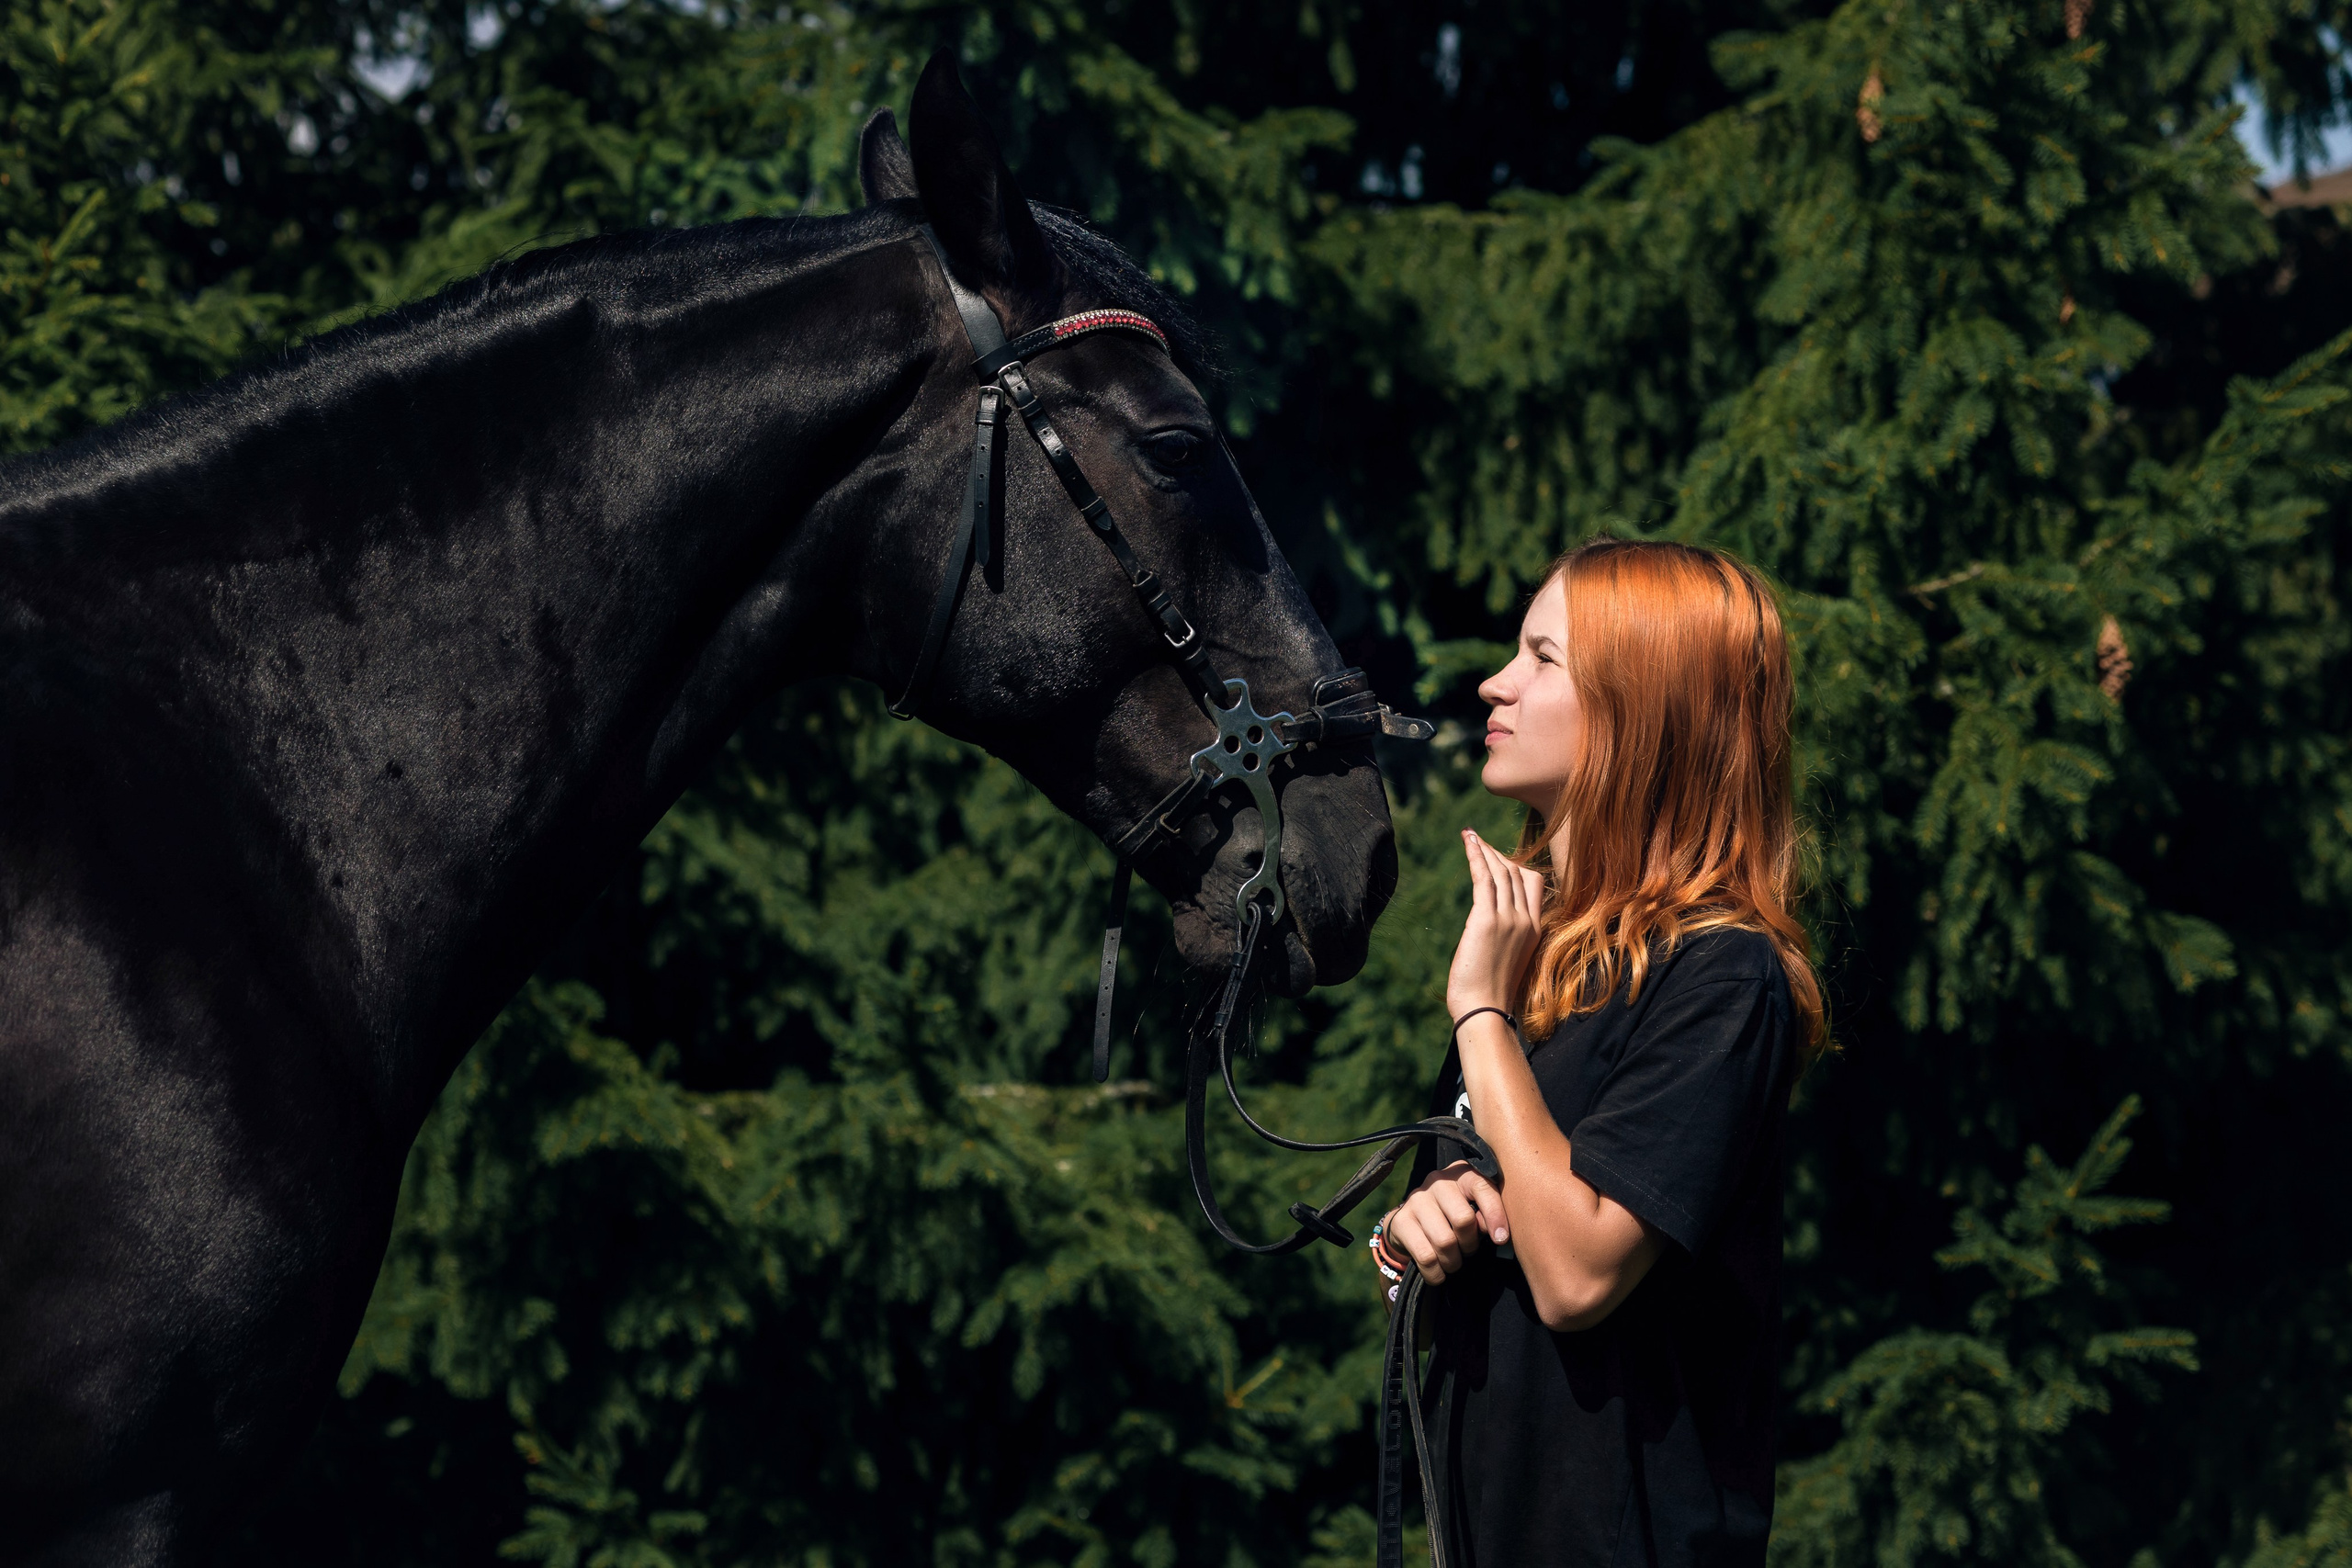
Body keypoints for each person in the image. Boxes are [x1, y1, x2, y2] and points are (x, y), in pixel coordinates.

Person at [1371, 536, 1827, 1567]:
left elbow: (1576, 1275)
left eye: (1541, 659)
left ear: (1642, 712)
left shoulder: (1721, 978)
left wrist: (1477, 1016)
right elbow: (1499, 1237)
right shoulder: (1542, 967)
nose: (1495, 682)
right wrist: (1414, 1230)